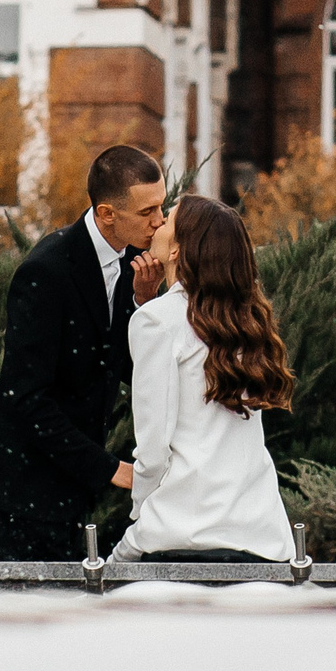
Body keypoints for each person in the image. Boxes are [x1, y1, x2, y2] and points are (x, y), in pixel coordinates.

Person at [0, 144, 166, 560]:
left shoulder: (139, 260)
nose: (160, 221)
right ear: (106, 214)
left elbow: (131, 368)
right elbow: (26, 397)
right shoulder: (46, 270)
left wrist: (144, 303)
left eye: (162, 207)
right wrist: (108, 468)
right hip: (27, 483)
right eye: (147, 212)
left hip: (74, 484)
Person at [112, 192, 297, 564]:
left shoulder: (156, 321)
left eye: (167, 222)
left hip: (182, 538)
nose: (157, 224)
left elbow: (152, 448)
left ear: (180, 250)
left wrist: (138, 524)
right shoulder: (245, 324)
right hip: (261, 539)